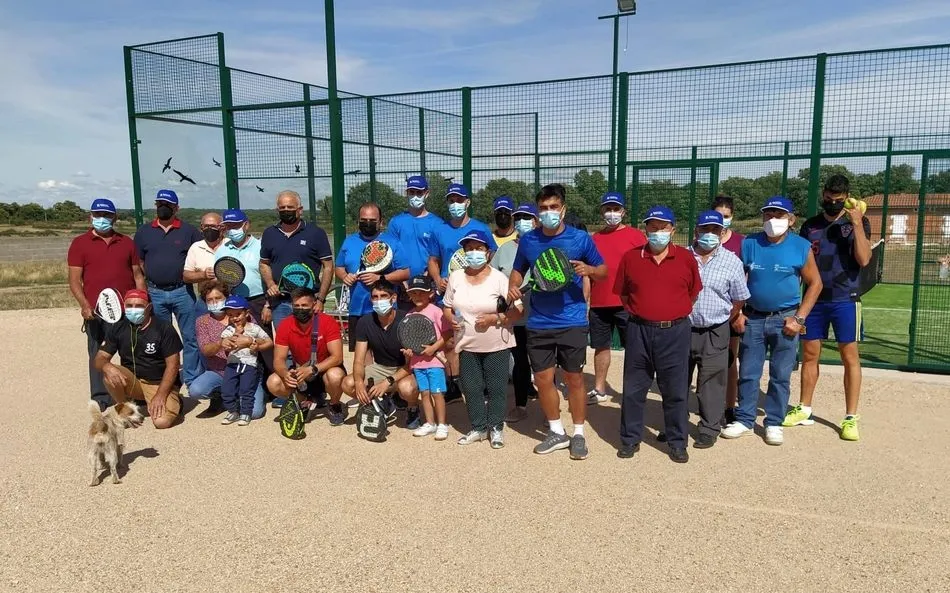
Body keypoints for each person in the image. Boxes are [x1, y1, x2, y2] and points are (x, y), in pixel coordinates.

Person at [508, 183, 607, 460]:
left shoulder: (580, 239)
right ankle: (556, 432)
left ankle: (578, 434)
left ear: (563, 209)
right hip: (538, 322)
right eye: (543, 208)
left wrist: (588, 269)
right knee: (542, 379)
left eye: (553, 207)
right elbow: (518, 273)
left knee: (574, 379)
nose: (548, 212)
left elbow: (603, 271)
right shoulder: (529, 241)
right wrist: (512, 287)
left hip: (572, 320)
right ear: (538, 213)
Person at [723, 196, 822, 446]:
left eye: (778, 215)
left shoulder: (801, 246)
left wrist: (799, 318)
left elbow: (815, 283)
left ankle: (774, 422)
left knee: (780, 375)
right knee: (748, 372)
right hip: (753, 317)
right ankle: (745, 419)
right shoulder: (750, 243)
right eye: (768, 215)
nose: (772, 220)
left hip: (785, 319)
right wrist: (738, 313)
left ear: (791, 220)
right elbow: (738, 279)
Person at [613, 206, 702, 463]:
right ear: (645, 229)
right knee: (633, 389)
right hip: (639, 329)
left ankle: (677, 442)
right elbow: (624, 294)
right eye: (652, 227)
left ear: (673, 230)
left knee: (674, 390)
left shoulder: (685, 258)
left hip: (675, 331)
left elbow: (693, 291)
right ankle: (630, 439)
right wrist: (642, 313)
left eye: (663, 227)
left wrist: (671, 312)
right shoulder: (631, 258)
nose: (657, 232)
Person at [786, 174, 872, 441]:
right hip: (815, 300)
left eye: (838, 199)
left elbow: (865, 259)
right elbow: (800, 264)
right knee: (810, 355)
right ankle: (805, 408)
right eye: (828, 198)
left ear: (846, 197)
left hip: (847, 299)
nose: (832, 202)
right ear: (823, 195)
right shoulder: (810, 226)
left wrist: (857, 223)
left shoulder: (857, 222)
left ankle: (850, 417)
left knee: (850, 357)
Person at [444, 230, 523, 448]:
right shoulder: (456, 277)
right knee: (471, 386)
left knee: (497, 387)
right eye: (469, 249)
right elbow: (447, 307)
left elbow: (518, 311)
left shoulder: (499, 279)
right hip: (466, 343)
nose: (473, 253)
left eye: (478, 248)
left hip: (497, 343)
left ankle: (496, 427)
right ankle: (478, 427)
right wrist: (450, 319)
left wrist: (494, 318)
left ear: (488, 253)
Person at [68, 198, 146, 411]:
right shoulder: (79, 244)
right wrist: (84, 305)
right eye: (98, 215)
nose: (102, 219)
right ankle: (101, 397)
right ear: (90, 216)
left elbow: (138, 275)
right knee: (98, 354)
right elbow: (74, 280)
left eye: (107, 215)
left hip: (126, 310)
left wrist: (143, 301)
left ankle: (134, 393)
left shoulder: (127, 243)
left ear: (115, 217)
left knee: (132, 352)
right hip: (96, 313)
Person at [427, 183, 497, 404]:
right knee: (450, 340)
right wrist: (438, 279)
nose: (455, 204)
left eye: (459, 200)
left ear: (468, 202)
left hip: (476, 292)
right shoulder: (440, 229)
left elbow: (491, 252)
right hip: (449, 294)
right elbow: (433, 260)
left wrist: (480, 275)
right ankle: (455, 384)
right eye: (451, 200)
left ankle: (483, 384)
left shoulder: (481, 227)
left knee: (479, 335)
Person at [686, 210, 750, 448]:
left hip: (715, 329)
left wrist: (728, 315)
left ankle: (709, 427)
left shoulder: (732, 261)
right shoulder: (682, 257)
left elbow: (740, 297)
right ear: (696, 231)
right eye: (705, 230)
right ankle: (677, 423)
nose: (709, 234)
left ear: (723, 233)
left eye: (715, 230)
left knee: (712, 380)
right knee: (678, 378)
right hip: (683, 327)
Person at [133, 189, 204, 386]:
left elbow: (199, 256)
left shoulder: (189, 231)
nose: (163, 207)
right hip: (155, 292)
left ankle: (191, 378)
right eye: (160, 204)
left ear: (176, 208)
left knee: (190, 337)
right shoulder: (144, 232)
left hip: (183, 291)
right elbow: (139, 261)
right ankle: (166, 378)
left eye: (168, 204)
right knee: (160, 338)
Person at [588, 191, 647, 404]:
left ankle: (631, 391)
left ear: (623, 211)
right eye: (607, 209)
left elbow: (645, 266)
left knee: (633, 348)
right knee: (600, 347)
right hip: (599, 302)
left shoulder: (636, 236)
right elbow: (588, 270)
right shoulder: (594, 238)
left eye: (616, 209)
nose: (612, 213)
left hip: (626, 303)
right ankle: (600, 389)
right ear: (602, 211)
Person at [94, 289, 183, 429]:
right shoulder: (118, 326)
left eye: (139, 306)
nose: (133, 310)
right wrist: (107, 366)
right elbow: (100, 358)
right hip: (133, 381)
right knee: (109, 373)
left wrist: (160, 395)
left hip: (158, 383)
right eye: (129, 306)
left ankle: (174, 399)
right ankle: (124, 410)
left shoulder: (164, 328)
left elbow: (173, 365)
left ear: (149, 307)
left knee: (161, 422)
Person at [341, 280, 421, 428]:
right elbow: (358, 360)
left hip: (404, 369)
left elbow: (410, 364)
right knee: (348, 384)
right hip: (380, 367)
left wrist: (388, 381)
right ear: (371, 299)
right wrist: (359, 382)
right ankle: (381, 401)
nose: (379, 300)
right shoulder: (365, 322)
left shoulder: (406, 320)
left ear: (394, 298)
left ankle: (413, 408)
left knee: (407, 388)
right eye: (375, 297)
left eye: (383, 296)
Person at [266, 288, 348, 425]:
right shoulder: (286, 325)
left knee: (336, 375)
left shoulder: (327, 322)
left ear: (314, 304)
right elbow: (279, 359)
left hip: (323, 370)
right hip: (301, 371)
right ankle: (304, 400)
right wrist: (285, 373)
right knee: (273, 382)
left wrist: (313, 369)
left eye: (304, 306)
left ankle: (334, 405)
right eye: (296, 306)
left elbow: (337, 357)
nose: (300, 309)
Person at [334, 203, 410, 352]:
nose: (367, 223)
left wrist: (381, 278)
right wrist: (344, 276)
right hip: (356, 310)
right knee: (361, 357)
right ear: (358, 221)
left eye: (372, 220)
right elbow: (339, 267)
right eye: (363, 220)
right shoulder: (349, 241)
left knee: (388, 355)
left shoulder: (392, 242)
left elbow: (405, 272)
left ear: (381, 222)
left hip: (385, 310)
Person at [190, 282, 267, 419]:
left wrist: (251, 341)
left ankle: (246, 392)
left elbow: (264, 339)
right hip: (220, 371)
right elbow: (205, 350)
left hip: (248, 369)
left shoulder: (243, 315)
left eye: (218, 298)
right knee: (196, 390)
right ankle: (221, 396)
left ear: (227, 297)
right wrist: (220, 343)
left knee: (254, 413)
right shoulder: (202, 321)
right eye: (209, 300)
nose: (214, 302)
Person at [491, 203, 539, 422]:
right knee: (520, 363)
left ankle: (550, 412)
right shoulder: (505, 250)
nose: (522, 221)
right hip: (516, 318)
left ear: (536, 220)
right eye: (518, 217)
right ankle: (520, 406)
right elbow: (492, 278)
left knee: (543, 364)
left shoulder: (545, 246)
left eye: (527, 217)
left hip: (541, 318)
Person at [259, 190, 334, 331]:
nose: (286, 211)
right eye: (282, 208)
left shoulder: (316, 233)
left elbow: (328, 267)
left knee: (310, 345)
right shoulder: (269, 233)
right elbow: (264, 263)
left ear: (300, 210)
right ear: (277, 210)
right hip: (280, 303)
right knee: (285, 347)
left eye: (290, 207)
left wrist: (321, 299)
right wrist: (270, 284)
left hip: (308, 302)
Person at [402, 275, 450, 440]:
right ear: (409, 295)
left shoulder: (437, 311)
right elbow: (408, 339)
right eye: (414, 293)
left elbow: (448, 332)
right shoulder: (409, 315)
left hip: (435, 362)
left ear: (430, 293)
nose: (417, 296)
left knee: (437, 394)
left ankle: (442, 424)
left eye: (421, 292)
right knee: (425, 394)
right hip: (417, 364)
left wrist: (434, 348)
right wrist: (408, 352)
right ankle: (430, 423)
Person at [387, 175, 445, 310]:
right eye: (411, 192)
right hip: (402, 290)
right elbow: (390, 255)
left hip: (427, 288)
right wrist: (405, 285)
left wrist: (423, 283)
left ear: (427, 193)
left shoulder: (437, 223)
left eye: (419, 192)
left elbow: (438, 257)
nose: (415, 196)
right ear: (406, 193)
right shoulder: (396, 222)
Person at [713, 195, 745, 424]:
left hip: (732, 312)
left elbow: (746, 278)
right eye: (718, 216)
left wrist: (740, 311)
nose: (723, 220)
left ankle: (729, 406)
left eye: (726, 216)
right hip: (706, 312)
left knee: (730, 359)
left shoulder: (742, 243)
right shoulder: (703, 240)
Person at [218, 295, 273, 426]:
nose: (235, 318)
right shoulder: (229, 330)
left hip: (249, 365)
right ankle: (232, 411)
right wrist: (228, 340)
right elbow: (223, 341)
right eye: (230, 315)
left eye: (238, 314)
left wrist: (257, 346)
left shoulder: (254, 328)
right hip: (232, 364)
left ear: (247, 313)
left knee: (246, 389)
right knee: (227, 389)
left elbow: (269, 342)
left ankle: (246, 413)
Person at [183, 212, 224, 317]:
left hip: (228, 299)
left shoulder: (230, 245)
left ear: (222, 227)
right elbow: (186, 276)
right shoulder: (196, 247)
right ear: (201, 228)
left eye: (213, 226)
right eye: (206, 226)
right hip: (204, 300)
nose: (209, 229)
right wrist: (203, 275)